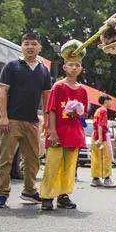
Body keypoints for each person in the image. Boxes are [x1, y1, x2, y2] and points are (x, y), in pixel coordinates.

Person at [0, 31, 52, 209]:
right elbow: (2, 91)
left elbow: (46, 97)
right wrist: (3, 116)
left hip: (32, 122)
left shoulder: (43, 70)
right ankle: (1, 194)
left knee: (33, 159)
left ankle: (29, 190)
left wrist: (47, 121)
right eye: (26, 43)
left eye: (33, 44)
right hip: (12, 120)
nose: (30, 47)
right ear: (22, 46)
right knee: (6, 159)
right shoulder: (11, 66)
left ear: (39, 47)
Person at [39, 51, 88, 210]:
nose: (74, 68)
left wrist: (78, 112)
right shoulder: (58, 86)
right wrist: (52, 131)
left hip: (74, 132)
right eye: (71, 65)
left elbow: (84, 113)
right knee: (53, 164)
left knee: (69, 166)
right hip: (58, 132)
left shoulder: (82, 90)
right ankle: (47, 196)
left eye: (77, 65)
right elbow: (51, 109)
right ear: (65, 67)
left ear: (81, 69)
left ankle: (63, 195)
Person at [90, 95, 116, 188]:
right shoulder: (104, 110)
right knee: (106, 158)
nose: (111, 103)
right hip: (101, 137)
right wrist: (101, 139)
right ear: (106, 101)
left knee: (96, 158)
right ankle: (107, 179)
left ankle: (95, 179)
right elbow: (101, 125)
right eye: (110, 101)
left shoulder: (98, 110)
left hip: (95, 136)